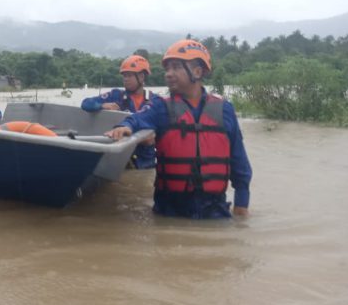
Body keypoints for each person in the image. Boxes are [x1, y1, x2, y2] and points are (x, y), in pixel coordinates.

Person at [105, 40, 252, 219]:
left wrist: (241, 207)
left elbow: (240, 164)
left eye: (176, 67)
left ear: (197, 71)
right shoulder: (160, 107)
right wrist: (124, 126)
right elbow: (136, 119)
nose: (168, 74)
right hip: (170, 211)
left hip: (215, 212)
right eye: (167, 69)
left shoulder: (224, 110)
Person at [81, 54, 156, 168]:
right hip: (121, 159)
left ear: (141, 77)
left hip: (146, 161)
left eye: (129, 75)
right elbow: (86, 103)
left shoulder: (155, 101)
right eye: (124, 75)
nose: (125, 79)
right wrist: (102, 105)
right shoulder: (116, 95)